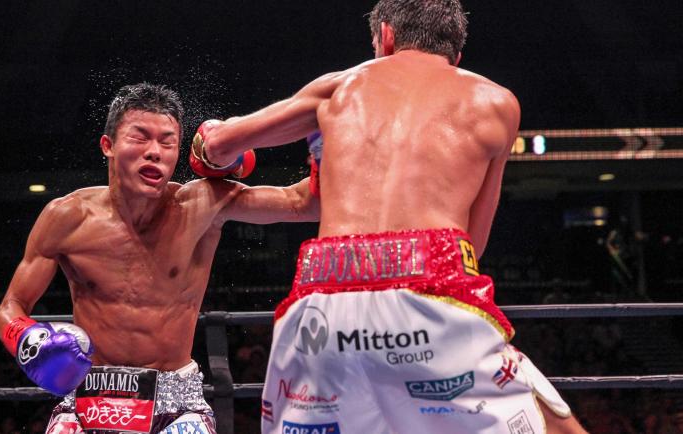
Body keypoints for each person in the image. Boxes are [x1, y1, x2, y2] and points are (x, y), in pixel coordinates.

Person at [194, 0, 588, 432]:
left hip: (324, 297)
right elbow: (474, 242)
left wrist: (216, 156)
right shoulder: (497, 103)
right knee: (555, 423)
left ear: (385, 36)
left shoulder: (339, 88)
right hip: (431, 289)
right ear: (456, 54)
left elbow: (218, 145)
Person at [0, 83, 318, 434]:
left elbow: (304, 203)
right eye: (140, 138)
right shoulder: (67, 218)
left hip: (177, 402)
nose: (154, 152)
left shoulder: (201, 205)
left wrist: (323, 144)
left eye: (167, 142)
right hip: (89, 397)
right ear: (108, 146)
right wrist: (27, 338)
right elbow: (10, 307)